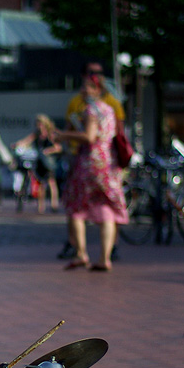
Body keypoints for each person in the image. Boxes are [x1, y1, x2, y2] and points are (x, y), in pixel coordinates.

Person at [53, 71, 128, 272]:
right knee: (107, 209)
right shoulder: (109, 110)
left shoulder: (91, 110)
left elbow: (89, 137)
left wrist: (64, 135)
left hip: (90, 163)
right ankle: (105, 257)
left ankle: (81, 254)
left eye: (87, 87)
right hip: (109, 164)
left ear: (97, 90)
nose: (83, 90)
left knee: (76, 208)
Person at [12, 114, 63, 213]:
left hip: (48, 162)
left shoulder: (50, 134)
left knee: (51, 182)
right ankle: (41, 206)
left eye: (40, 124)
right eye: (38, 124)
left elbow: (58, 148)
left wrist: (47, 151)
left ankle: (54, 204)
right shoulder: (36, 134)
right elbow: (26, 141)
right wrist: (18, 144)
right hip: (40, 161)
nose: (39, 126)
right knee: (40, 183)